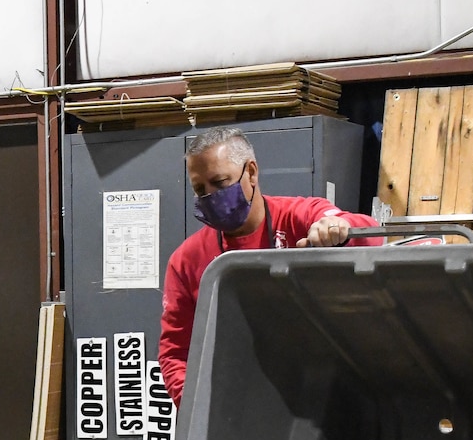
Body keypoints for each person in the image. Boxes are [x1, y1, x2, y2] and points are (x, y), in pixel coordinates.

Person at [157, 126, 382, 403]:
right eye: (199, 189)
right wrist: (198, 407)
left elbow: (369, 234)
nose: (209, 197)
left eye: (219, 182)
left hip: (322, 399)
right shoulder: (187, 261)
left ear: (251, 172)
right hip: (239, 405)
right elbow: (175, 353)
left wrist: (338, 227)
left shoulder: (299, 217)